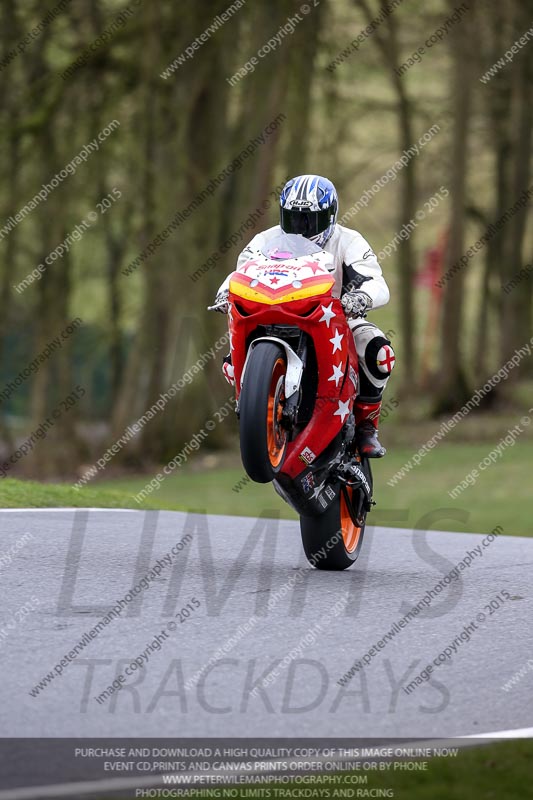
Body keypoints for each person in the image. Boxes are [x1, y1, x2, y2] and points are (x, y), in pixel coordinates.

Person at [212, 174, 395, 458]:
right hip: (272, 313)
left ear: (330, 216)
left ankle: (366, 428)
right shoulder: (264, 239)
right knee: (228, 364)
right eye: (294, 218)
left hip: (335, 318)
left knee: (378, 351)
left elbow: (377, 283)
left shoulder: (349, 241)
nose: (301, 228)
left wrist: (360, 297)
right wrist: (224, 293)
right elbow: (240, 274)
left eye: (311, 220)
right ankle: (256, 409)